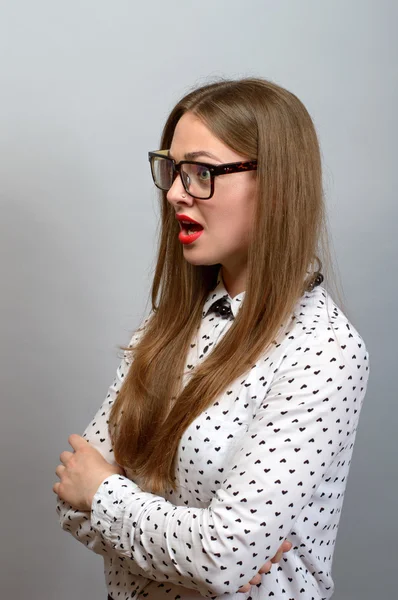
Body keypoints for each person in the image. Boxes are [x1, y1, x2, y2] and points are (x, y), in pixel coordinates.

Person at [53, 77, 369, 600]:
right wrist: (195, 551)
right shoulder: (169, 326)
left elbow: (217, 560)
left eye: (201, 171)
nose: (176, 191)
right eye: (173, 170)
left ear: (277, 185)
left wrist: (106, 492)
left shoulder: (323, 349)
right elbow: (69, 497)